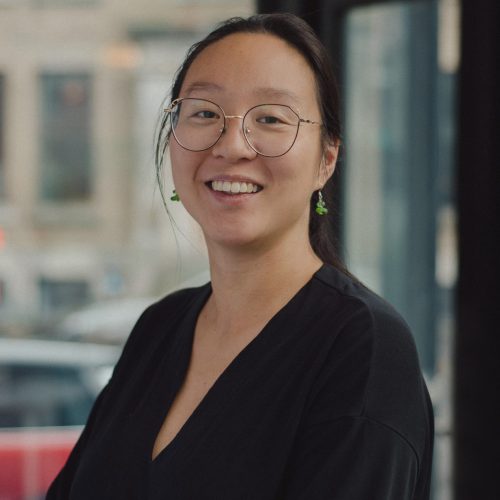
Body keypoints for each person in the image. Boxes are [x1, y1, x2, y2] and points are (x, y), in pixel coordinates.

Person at [47, 13, 433, 500]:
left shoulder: (363, 348)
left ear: (326, 160)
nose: (231, 146)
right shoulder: (158, 328)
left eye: (270, 118)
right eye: (205, 113)